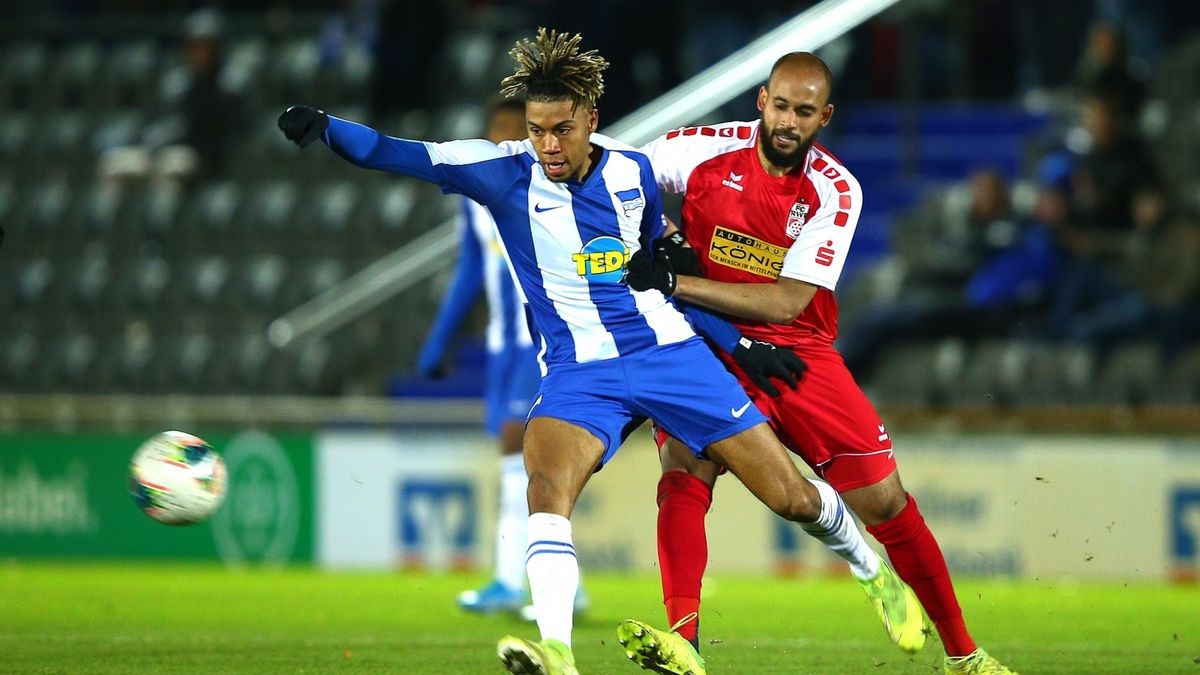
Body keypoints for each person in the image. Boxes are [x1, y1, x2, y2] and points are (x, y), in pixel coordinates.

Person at [280, 29, 875, 675]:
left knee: (789, 495)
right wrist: (329, 129)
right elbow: (400, 153)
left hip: (668, 353)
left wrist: (736, 343)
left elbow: (662, 265)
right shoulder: (502, 171)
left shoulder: (632, 170)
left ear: (591, 119)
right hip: (578, 371)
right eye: (536, 129)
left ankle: (872, 568)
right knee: (546, 485)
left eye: (561, 129)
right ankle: (558, 648)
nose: (546, 145)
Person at [624, 52, 1019, 675]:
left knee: (886, 502)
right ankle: (683, 643)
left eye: (804, 112)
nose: (788, 122)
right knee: (683, 463)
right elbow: (620, 181)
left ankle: (964, 654)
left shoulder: (835, 189)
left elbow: (786, 302)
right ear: (761, 100)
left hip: (797, 350)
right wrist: (657, 232)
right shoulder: (697, 150)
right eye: (780, 106)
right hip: (708, 344)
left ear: (824, 117)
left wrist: (675, 280)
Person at [411, 96, 550, 615]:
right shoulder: (474, 194)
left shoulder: (546, 184)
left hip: (538, 341)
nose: (505, 139)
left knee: (525, 454)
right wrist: (438, 340)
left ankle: (512, 580)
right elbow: (471, 268)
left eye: (518, 130)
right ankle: (555, 582)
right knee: (521, 458)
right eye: (498, 129)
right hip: (501, 345)